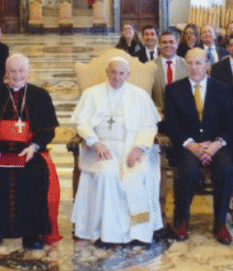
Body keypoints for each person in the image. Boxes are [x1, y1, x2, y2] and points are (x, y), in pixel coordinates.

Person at [0, 54, 60, 255]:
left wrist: (35, 146)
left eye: (21, 71)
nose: (17, 75)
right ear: (6, 73)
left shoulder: (40, 95)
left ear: (28, 72)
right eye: (13, 71)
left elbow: (48, 129)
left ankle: (32, 233)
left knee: (36, 175)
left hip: (27, 151)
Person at [70, 57, 163, 245]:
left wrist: (139, 148)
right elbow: (82, 123)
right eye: (113, 72)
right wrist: (94, 142)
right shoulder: (92, 94)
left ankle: (138, 230)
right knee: (107, 174)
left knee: (138, 175)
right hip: (102, 148)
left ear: (128, 75)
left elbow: (149, 126)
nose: (117, 77)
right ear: (107, 72)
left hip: (132, 147)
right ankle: (106, 232)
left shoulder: (140, 95)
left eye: (121, 73)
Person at [161, 48, 233, 245]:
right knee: (188, 171)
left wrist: (216, 144)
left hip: (216, 145)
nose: (194, 67)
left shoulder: (222, 89)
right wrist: (191, 144)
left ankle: (220, 223)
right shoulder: (173, 89)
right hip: (187, 145)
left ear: (207, 65)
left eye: (199, 63)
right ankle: (182, 220)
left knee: (227, 170)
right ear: (185, 64)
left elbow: (230, 124)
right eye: (190, 63)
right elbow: (170, 124)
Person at [152, 30, 187, 111]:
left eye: (171, 42)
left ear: (177, 44)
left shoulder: (187, 65)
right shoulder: (150, 66)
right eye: (164, 42)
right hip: (159, 115)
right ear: (159, 45)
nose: (168, 45)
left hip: (182, 115)